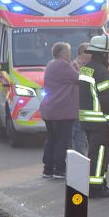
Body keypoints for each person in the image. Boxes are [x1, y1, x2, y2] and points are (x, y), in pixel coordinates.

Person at [78, 35, 109, 198]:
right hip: (99, 120)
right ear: (103, 54)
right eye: (108, 52)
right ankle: (96, 187)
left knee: (94, 153)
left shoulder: (86, 68)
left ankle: (97, 183)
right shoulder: (101, 72)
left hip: (87, 119)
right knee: (100, 154)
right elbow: (106, 98)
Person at [40, 42, 78, 179]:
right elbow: (79, 78)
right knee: (62, 140)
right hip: (62, 111)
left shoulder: (51, 64)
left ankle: (48, 169)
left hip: (50, 109)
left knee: (51, 139)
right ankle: (59, 169)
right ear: (63, 53)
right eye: (68, 52)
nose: (70, 55)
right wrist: (78, 67)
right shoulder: (63, 65)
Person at [71, 42, 91, 154]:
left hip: (86, 106)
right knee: (79, 136)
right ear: (82, 53)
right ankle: (80, 162)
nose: (92, 54)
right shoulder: (76, 65)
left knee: (83, 137)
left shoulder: (87, 65)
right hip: (78, 106)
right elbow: (84, 81)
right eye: (89, 52)